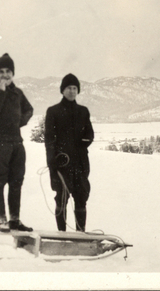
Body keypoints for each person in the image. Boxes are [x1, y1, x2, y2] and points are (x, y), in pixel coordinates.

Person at [0, 53, 34, 232]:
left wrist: (17, 122)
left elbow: (29, 110)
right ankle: (1, 220)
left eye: (8, 71)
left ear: (13, 73)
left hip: (16, 144)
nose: (5, 75)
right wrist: (1, 93)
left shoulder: (18, 93)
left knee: (16, 182)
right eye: (1, 71)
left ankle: (14, 220)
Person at [44, 74, 94, 232]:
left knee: (81, 199)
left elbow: (89, 134)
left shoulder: (83, 111)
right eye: (68, 88)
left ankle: (80, 235)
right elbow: (49, 140)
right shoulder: (53, 112)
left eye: (74, 88)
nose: (72, 91)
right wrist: (52, 162)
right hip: (61, 164)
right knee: (61, 199)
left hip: (80, 164)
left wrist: (82, 143)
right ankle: (61, 235)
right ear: (62, 90)